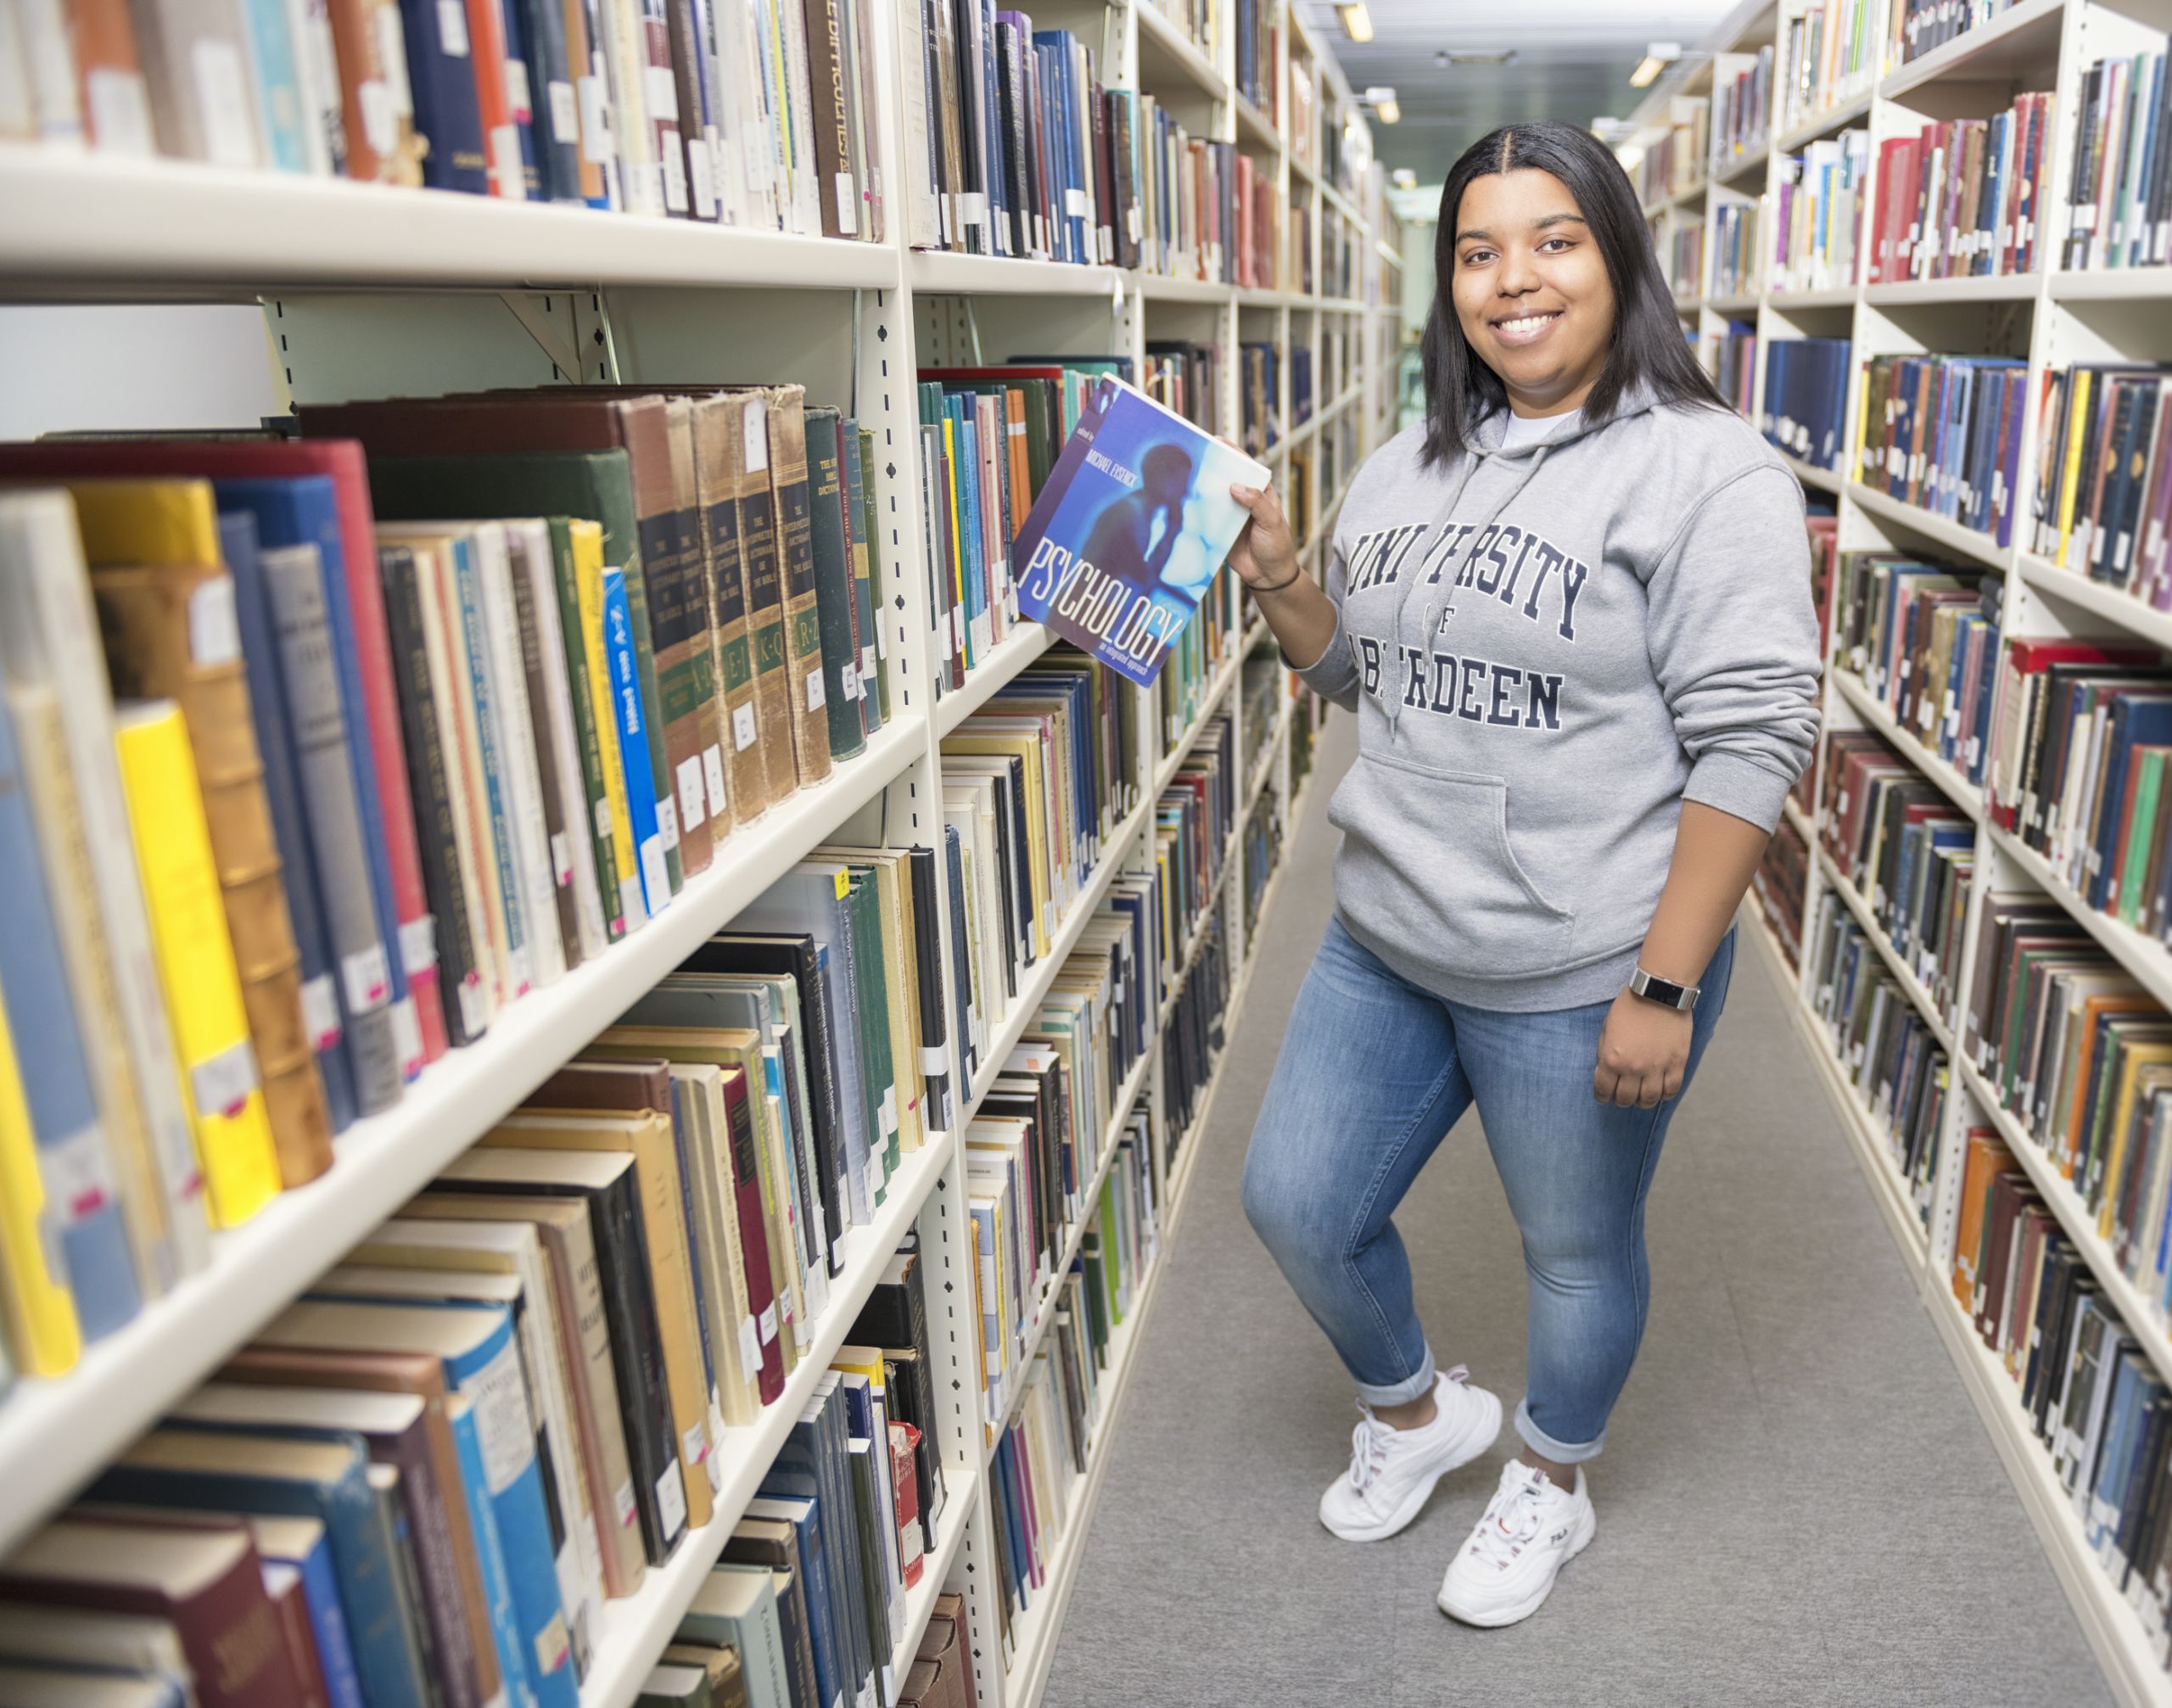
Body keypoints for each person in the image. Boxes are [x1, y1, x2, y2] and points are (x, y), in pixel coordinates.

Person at [1225, 119, 1822, 1628]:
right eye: (1478, 251)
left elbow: (1751, 742)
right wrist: (1292, 579)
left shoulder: (1710, 472)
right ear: (1450, 287)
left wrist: (1663, 983)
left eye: (1553, 239)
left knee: (1573, 1253)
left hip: (1584, 961)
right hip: (1390, 927)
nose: (1515, 281)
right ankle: (1426, 1417)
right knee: (1296, 1199)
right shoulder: (1406, 459)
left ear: (1619, 253)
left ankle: (1549, 1477)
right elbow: (1368, 675)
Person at [1083, 440, 1195, 593]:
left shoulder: (1140, 514)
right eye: (1182, 482)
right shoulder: (1129, 513)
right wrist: (1172, 530)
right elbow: (1145, 580)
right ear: (1162, 477)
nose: (1185, 492)